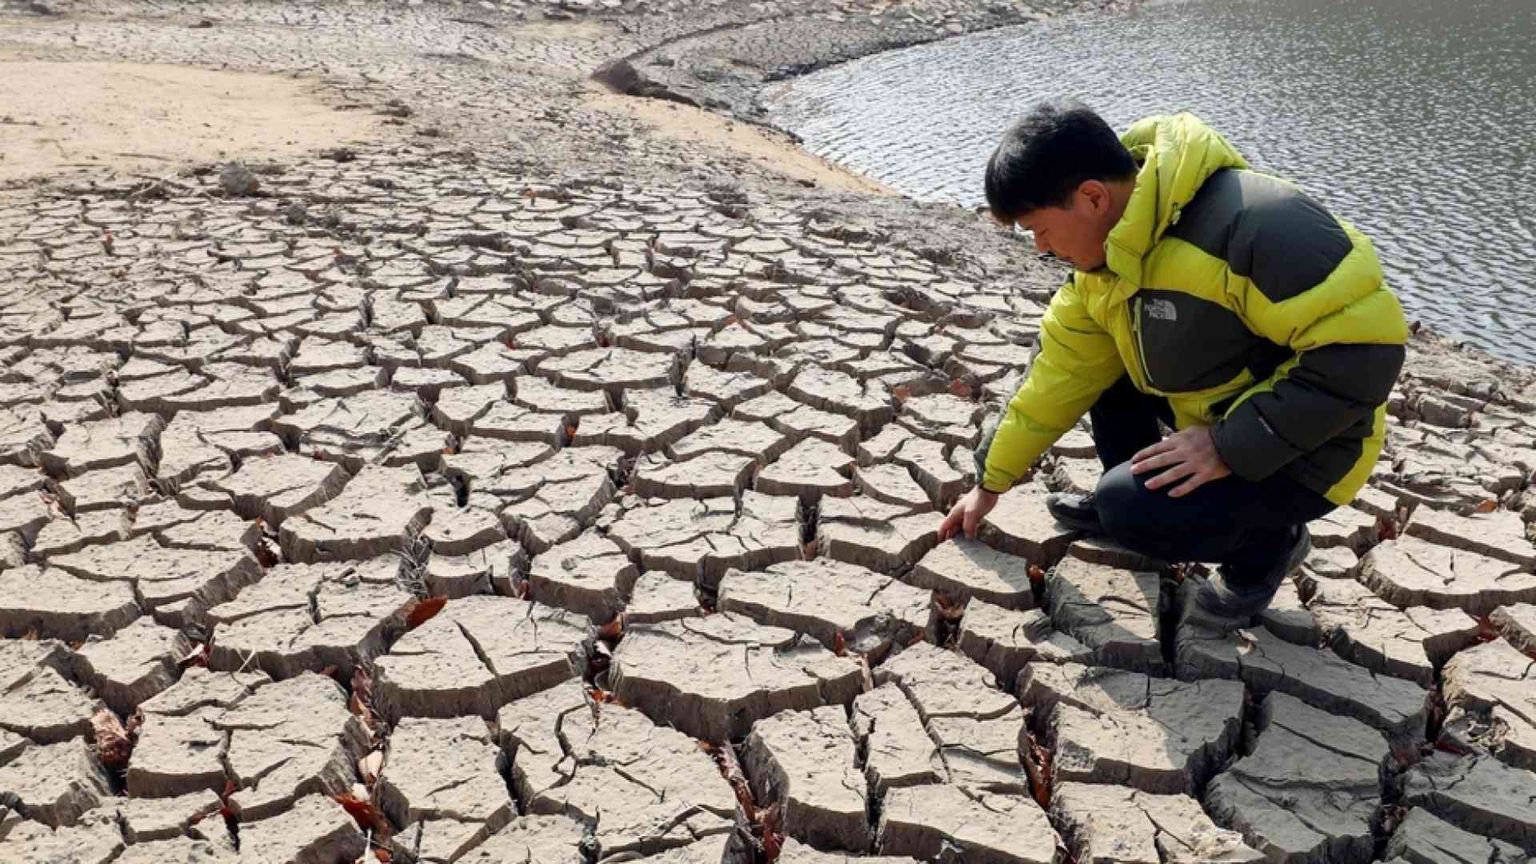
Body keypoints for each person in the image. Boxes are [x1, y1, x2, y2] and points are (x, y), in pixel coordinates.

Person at [938, 102, 1406, 621]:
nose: (1041, 248)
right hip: (1218, 408)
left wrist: (1228, 446)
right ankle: (1142, 504)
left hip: (1312, 450)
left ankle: (1269, 547)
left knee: (1127, 508)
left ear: (1092, 197)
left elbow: (1365, 356)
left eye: (1040, 229)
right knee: (1102, 371)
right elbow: (1057, 377)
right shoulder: (1105, 265)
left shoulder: (1260, 223)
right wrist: (989, 483)